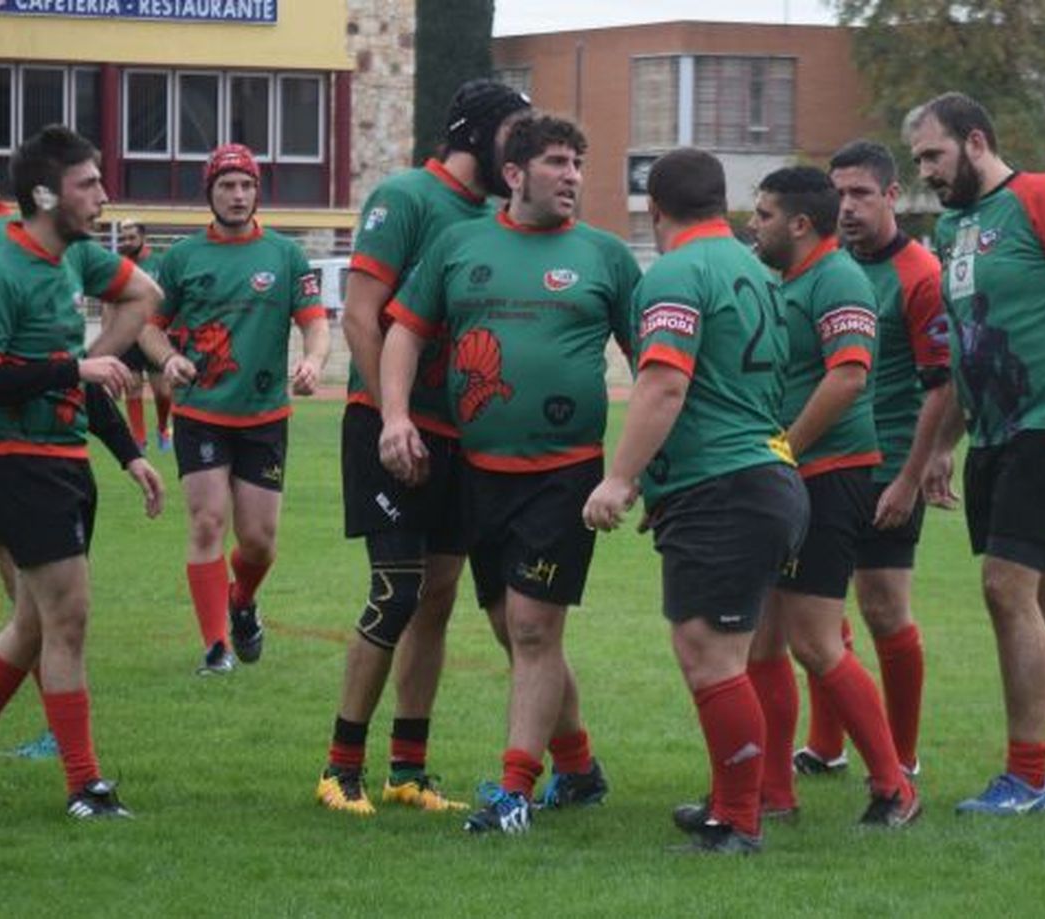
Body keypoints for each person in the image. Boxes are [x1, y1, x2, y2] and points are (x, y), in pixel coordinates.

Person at [378, 113, 638, 835]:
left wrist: (638, 469)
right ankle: (579, 767)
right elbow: (404, 329)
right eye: (557, 162)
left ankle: (515, 791)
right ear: (516, 174)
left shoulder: (607, 256)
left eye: (579, 163)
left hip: (565, 474)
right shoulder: (460, 245)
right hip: (474, 470)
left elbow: (656, 366)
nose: (573, 176)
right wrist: (395, 416)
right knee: (511, 625)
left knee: (530, 627)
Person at [0, 125, 165, 818]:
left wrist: (130, 452)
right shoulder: (2, 269)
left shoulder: (72, 260)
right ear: (46, 193)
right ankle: (85, 786)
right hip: (20, 464)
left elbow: (132, 310)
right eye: (88, 184)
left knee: (29, 625)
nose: (103, 196)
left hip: (59, 461)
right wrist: (75, 365)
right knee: (68, 619)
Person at [906, 92, 1045, 813]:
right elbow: (970, 342)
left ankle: (1026, 774)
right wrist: (945, 442)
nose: (927, 173)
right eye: (918, 160)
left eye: (934, 156)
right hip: (997, 432)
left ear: (976, 142)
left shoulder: (1042, 198)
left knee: (1006, 588)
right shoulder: (952, 228)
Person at [582, 147, 809, 854]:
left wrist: (621, 477)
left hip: (728, 485)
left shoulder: (675, 273)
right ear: (726, 204)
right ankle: (732, 800)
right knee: (726, 654)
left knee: (708, 655)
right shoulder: (756, 269)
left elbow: (666, 385)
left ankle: (738, 820)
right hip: (761, 475)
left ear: (655, 209)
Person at [318, 79, 531, 816]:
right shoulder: (406, 196)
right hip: (384, 426)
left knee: (437, 600)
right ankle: (339, 765)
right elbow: (360, 317)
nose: (525, 148)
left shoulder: (491, 218)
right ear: (479, 133)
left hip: (453, 437)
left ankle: (407, 768)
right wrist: (392, 417)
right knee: (397, 589)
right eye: (516, 132)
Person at [743, 165, 920, 828]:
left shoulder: (838, 277)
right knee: (760, 641)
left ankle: (894, 785)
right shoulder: (782, 279)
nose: (752, 225)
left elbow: (849, 374)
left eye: (762, 215)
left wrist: (785, 447)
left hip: (830, 474)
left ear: (798, 223)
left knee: (815, 640)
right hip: (787, 476)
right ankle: (773, 792)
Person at [137, 143, 331, 675]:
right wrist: (170, 358)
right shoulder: (181, 258)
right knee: (206, 523)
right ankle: (216, 647)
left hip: (265, 414)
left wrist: (313, 361)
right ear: (211, 194)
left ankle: (241, 602)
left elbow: (315, 321)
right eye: (228, 185)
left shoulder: (286, 256)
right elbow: (149, 329)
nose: (239, 195)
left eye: (246, 185)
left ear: (257, 192)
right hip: (201, 410)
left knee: (259, 543)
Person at [792, 141, 950, 780]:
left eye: (861, 194)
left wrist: (912, 476)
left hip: (887, 466)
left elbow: (941, 384)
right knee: (817, 607)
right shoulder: (823, 267)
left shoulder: (920, 275)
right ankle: (826, 746)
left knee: (883, 607)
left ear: (892, 197)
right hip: (821, 463)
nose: (847, 206)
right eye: (839, 194)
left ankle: (902, 757)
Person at [110, 219, 173, 451]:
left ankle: (163, 427)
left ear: (143, 237)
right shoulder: (118, 265)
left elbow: (171, 296)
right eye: (124, 238)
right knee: (133, 386)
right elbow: (110, 302)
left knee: (163, 391)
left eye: (131, 238)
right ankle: (139, 439)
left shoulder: (160, 263)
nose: (127, 242)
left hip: (156, 333)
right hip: (128, 334)